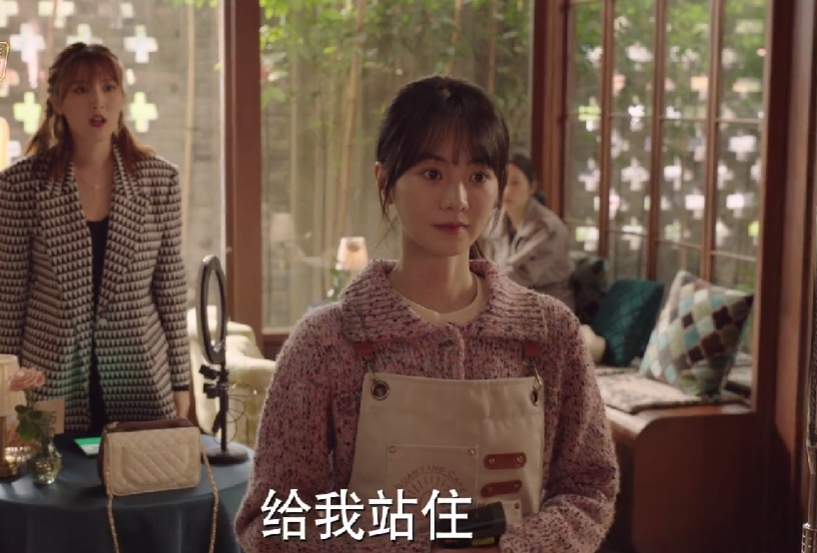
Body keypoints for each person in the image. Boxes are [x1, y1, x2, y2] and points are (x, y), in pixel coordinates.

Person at [235, 75, 618, 553]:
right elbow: (271, 519)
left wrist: (510, 547)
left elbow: (589, 488)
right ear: (385, 182)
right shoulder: (327, 340)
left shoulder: (548, 332)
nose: (457, 199)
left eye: (478, 176)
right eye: (432, 174)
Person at [0, 42, 191, 435]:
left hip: (140, 378)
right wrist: (5, 386)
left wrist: (181, 383)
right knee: (52, 472)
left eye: (109, 87)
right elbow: (9, 300)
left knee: (141, 472)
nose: (97, 102)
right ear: (57, 102)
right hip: (48, 380)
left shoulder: (160, 180)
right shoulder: (20, 185)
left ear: (122, 97)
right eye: (81, 89)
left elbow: (170, 292)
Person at [480, 153, 576, 310]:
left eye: (515, 183)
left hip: (547, 305)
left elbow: (519, 275)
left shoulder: (548, 228)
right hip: (505, 297)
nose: (507, 190)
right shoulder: (493, 219)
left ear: (532, 188)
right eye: (502, 181)